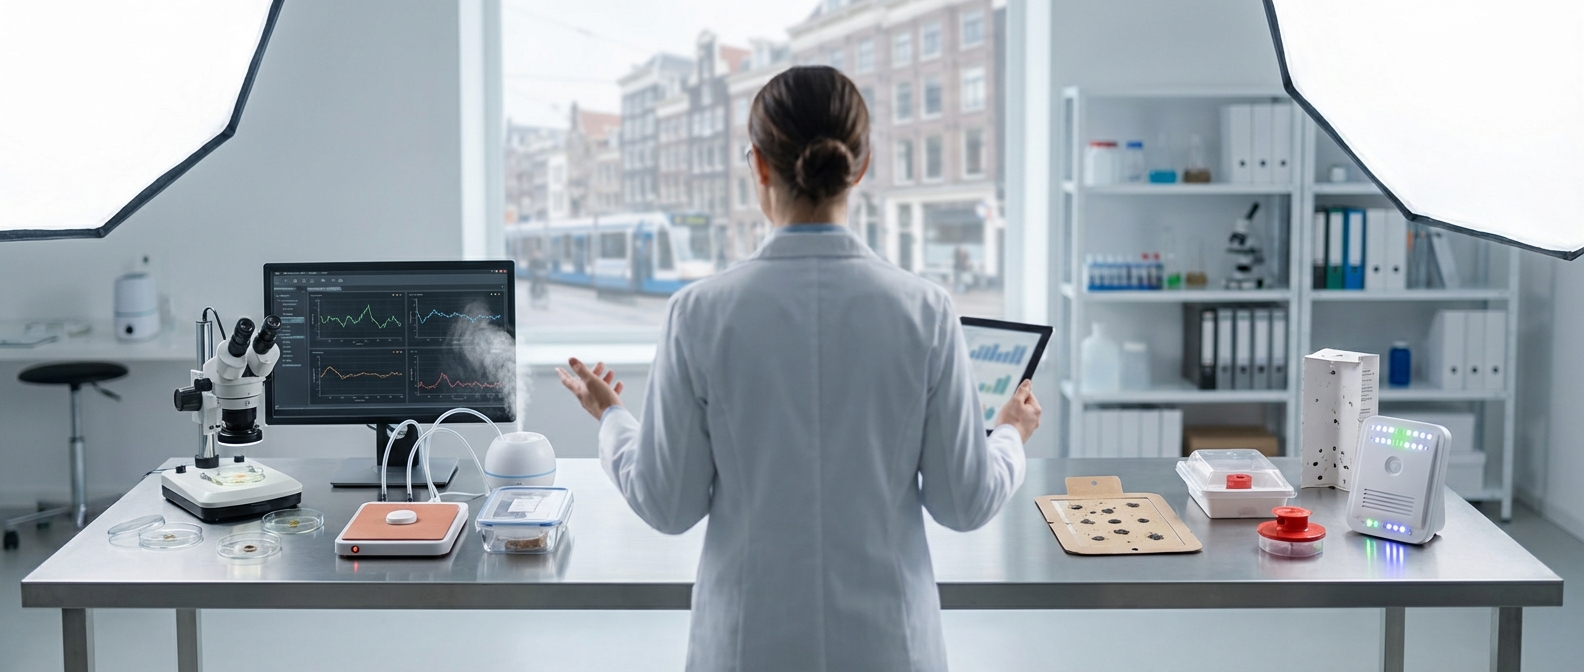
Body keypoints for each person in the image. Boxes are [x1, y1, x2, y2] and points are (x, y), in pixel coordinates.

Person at [558, 65, 1040, 672]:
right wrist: (1011, 435)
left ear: (758, 166)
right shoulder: (925, 311)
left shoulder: (699, 313)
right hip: (889, 646)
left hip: (745, 646)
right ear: (860, 168)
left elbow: (669, 503)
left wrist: (612, 418)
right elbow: (964, 503)